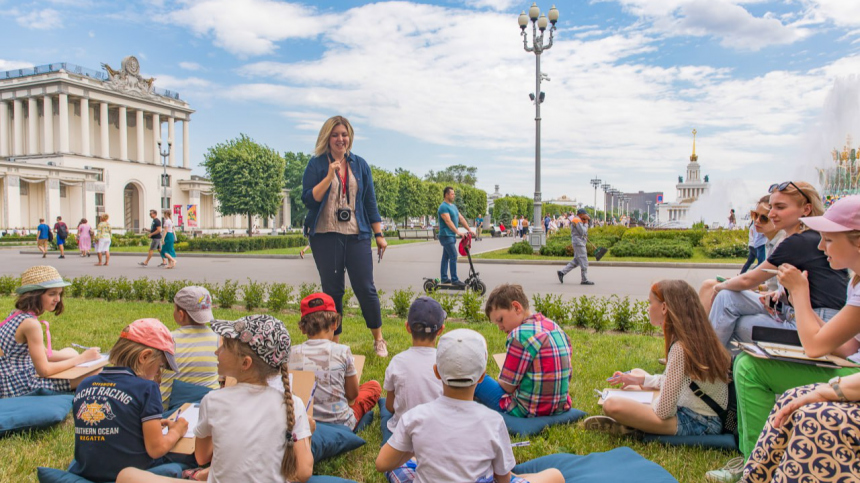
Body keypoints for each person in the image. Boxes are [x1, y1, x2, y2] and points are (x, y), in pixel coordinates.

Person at [705, 194, 860, 482]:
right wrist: (799, 298)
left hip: (853, 377)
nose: (820, 245)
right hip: (851, 366)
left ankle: (755, 466)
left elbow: (815, 347)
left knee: (750, 369)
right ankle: (756, 461)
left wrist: (800, 295)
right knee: (747, 362)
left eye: (828, 239)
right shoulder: (856, 280)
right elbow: (846, 346)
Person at [118, 314, 314, 483]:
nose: (216, 352)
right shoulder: (294, 404)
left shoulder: (213, 399)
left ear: (245, 363)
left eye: (224, 347)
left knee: (126, 475)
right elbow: (304, 471)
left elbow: (202, 456)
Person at [376, 328, 564, 483]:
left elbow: (382, 464)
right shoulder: (493, 421)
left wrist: (415, 447)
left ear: (437, 372)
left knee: (399, 467)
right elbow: (503, 480)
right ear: (482, 376)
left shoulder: (414, 417)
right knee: (556, 476)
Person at [708, 181, 848, 350]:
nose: (772, 213)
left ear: (806, 209)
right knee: (727, 299)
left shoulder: (798, 241)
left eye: (780, 207)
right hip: (804, 314)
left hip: (815, 323)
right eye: (772, 207)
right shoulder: (807, 237)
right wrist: (779, 293)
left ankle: (709, 368)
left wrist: (718, 287)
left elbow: (748, 281)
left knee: (735, 318)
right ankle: (714, 368)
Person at [583, 280, 730, 437]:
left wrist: (644, 403)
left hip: (701, 422)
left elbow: (664, 411)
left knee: (613, 405)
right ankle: (635, 422)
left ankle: (634, 426)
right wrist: (641, 381)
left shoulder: (681, 347)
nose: (648, 307)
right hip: (694, 408)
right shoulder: (693, 337)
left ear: (664, 307)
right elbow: (678, 381)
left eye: (650, 302)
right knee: (637, 377)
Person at [301, 115, 388, 357]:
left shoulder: (360, 165)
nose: (341, 139)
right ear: (327, 138)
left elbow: (370, 201)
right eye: (336, 134)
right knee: (332, 292)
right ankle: (335, 344)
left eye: (344, 134)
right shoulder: (316, 164)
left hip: (356, 234)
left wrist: (379, 234)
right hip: (325, 235)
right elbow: (308, 199)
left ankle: (378, 339)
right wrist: (329, 177)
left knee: (365, 288)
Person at [69, 318, 186, 482]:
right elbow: (156, 449)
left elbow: (109, 421)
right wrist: (177, 431)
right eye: (159, 366)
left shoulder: (85, 384)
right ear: (145, 357)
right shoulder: (147, 389)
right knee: (185, 460)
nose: (158, 373)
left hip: (87, 470)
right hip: (130, 474)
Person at [0, 266, 100, 398]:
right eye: (52, 294)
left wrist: (79, 357)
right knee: (97, 370)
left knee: (70, 351)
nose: (57, 299)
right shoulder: (31, 324)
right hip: (19, 386)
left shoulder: (16, 314)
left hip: (9, 378)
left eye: (59, 293)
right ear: (34, 295)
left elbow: (45, 353)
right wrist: (82, 358)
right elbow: (44, 371)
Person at [474, 284, 572, 418]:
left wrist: (500, 377)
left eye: (500, 320)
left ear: (516, 307)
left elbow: (508, 387)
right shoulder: (553, 326)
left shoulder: (519, 335)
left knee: (476, 377)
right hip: (558, 407)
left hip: (526, 411)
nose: (500, 328)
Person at [288, 293, 381, 429]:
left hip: (304, 421)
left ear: (302, 328)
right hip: (341, 423)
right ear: (335, 323)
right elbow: (352, 395)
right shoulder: (343, 351)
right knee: (373, 386)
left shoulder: (290, 353)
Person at [698, 195, 785, 314]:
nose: (757, 221)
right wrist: (755, 287)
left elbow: (749, 280)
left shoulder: (781, 243)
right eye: (755, 215)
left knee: (720, 292)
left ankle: (705, 331)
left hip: (774, 303)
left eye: (764, 218)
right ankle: (702, 329)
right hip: (769, 296)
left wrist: (728, 285)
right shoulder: (771, 241)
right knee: (708, 284)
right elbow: (769, 284)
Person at [381, 297, 445, 443]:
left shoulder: (397, 361)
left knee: (383, 407)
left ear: (407, 327)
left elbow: (390, 406)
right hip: (438, 430)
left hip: (404, 432)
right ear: (441, 329)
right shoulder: (446, 361)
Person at [159, 286, 219, 408]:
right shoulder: (218, 340)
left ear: (181, 314)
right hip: (208, 407)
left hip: (168, 413)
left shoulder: (167, 340)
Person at [437, 186, 474, 288]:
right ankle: (454, 279)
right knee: (453, 255)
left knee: (446, 257)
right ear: (446, 195)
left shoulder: (453, 206)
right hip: (445, 235)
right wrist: (458, 232)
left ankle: (444, 278)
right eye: (452, 194)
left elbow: (461, 219)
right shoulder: (443, 207)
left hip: (451, 236)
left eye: (454, 194)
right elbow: (448, 221)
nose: (454, 196)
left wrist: (469, 230)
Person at [557, 208, 594, 285]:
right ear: (581, 214)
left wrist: (586, 221)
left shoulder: (578, 220)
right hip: (579, 243)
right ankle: (584, 279)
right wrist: (586, 222)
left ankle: (562, 272)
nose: (586, 216)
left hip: (579, 242)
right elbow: (583, 231)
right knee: (584, 261)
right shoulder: (577, 220)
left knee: (576, 261)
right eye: (585, 214)